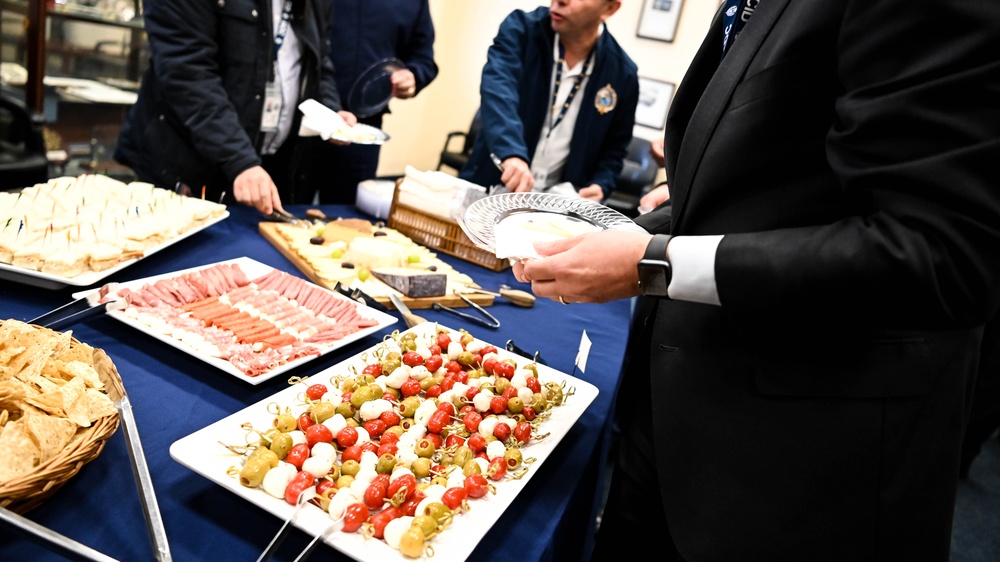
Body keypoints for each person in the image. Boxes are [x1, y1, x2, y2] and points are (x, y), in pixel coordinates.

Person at [513, 1, 1000, 560]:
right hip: (671, 425)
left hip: (797, 468)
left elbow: (941, 255)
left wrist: (654, 262)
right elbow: (775, 191)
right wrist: (636, 230)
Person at [115, 0, 356, 214]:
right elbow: (188, 75)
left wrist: (329, 111)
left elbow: (319, 62)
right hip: (190, 165)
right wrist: (239, 159)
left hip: (269, 169)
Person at [459, 0, 638, 203]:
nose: (560, 1)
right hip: (491, 189)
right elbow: (498, 94)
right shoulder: (520, 30)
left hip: (558, 209)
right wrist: (511, 153)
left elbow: (615, 147)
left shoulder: (623, 74)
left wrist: (601, 184)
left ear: (609, 9)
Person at [298, 0, 437, 206]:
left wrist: (413, 76)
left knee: (347, 219)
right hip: (304, 120)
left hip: (363, 130)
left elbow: (423, 59)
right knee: (283, 210)